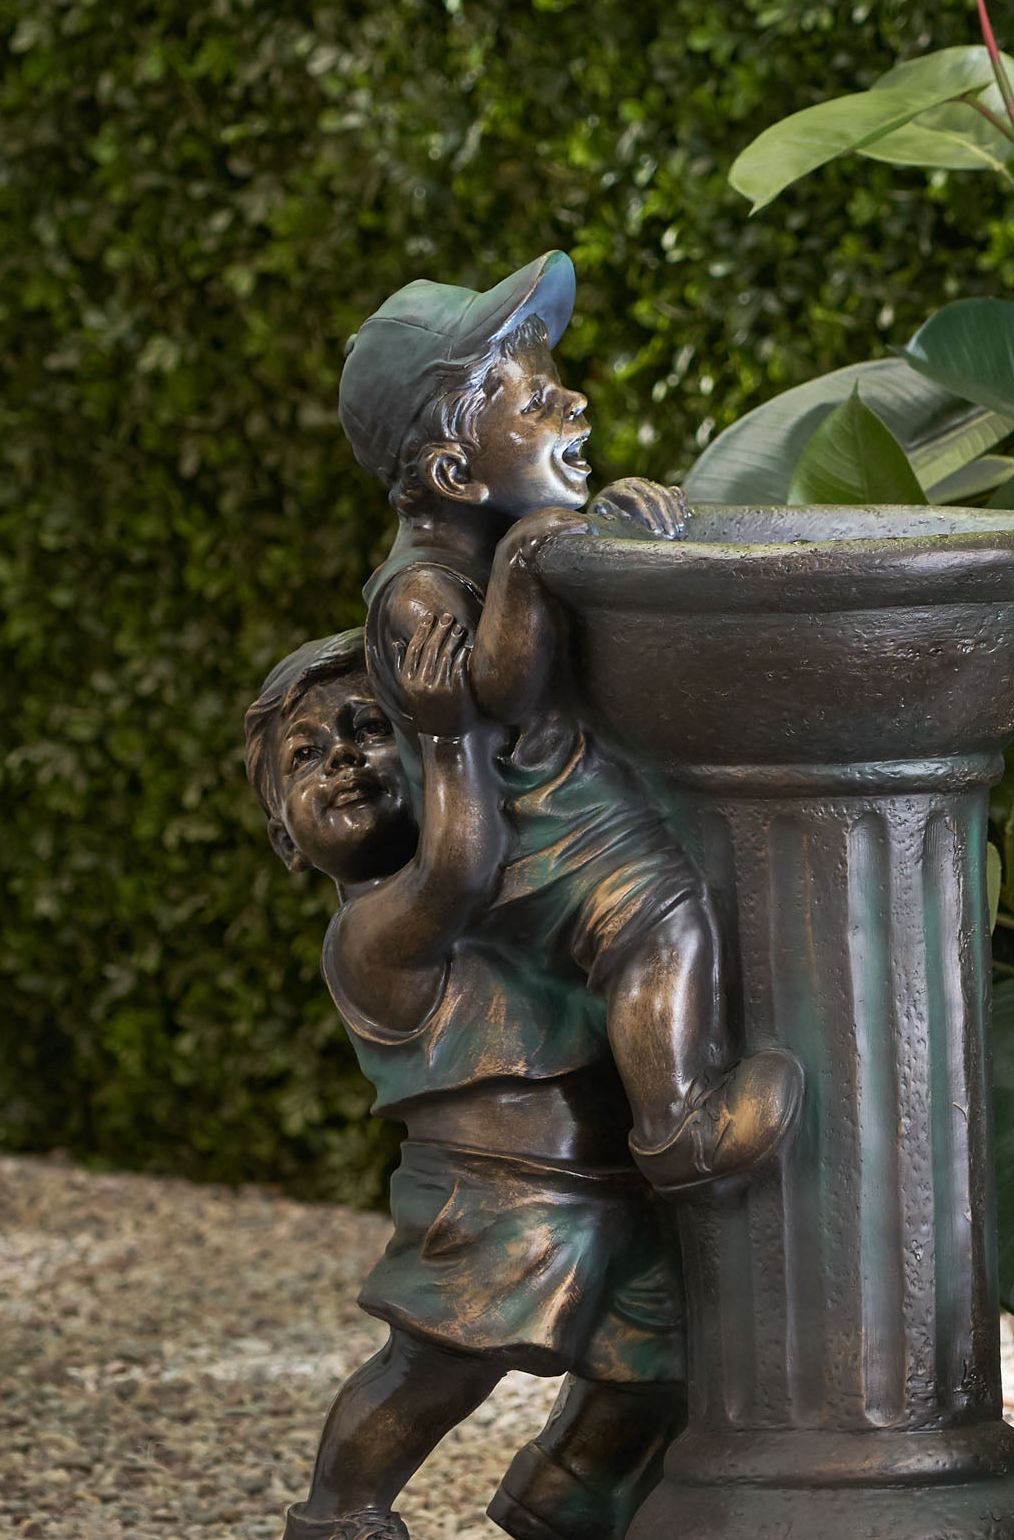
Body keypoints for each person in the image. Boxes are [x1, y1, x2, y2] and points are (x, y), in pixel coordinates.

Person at [244, 619, 684, 1540]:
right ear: (282, 833)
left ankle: (572, 1500)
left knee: (658, 1349)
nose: (346, 759)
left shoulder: (521, 891)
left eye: (368, 727)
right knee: (442, 1362)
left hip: (604, 1181)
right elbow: (461, 863)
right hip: (492, 1192)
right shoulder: (375, 929)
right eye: (306, 757)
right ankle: (335, 1517)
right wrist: (447, 737)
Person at [338, 250, 800, 1195]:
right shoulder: (419, 593)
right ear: (457, 470)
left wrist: (608, 526)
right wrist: (530, 561)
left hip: (572, 809)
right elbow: (501, 692)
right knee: (661, 923)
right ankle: (677, 1129)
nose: (576, 405)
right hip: (536, 844)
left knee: (676, 917)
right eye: (538, 403)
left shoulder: (504, 540)